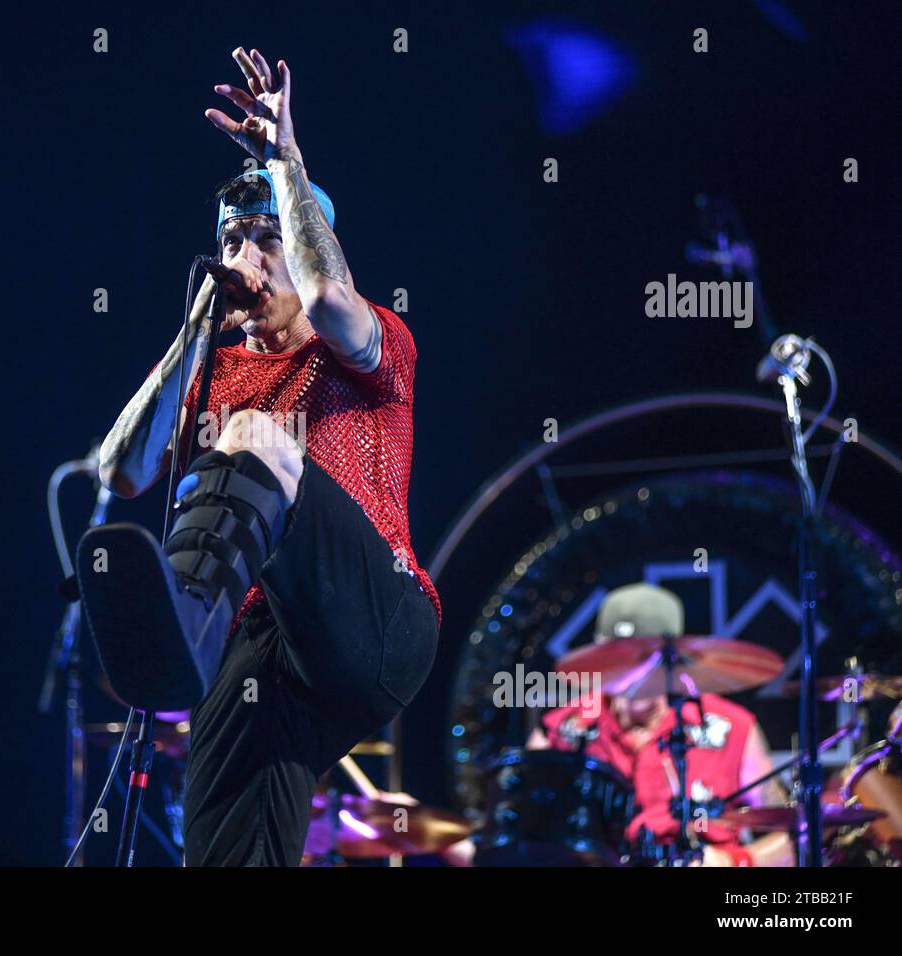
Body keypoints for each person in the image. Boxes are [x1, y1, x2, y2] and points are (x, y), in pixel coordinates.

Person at [75, 46, 440, 866]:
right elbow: (121, 471)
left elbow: (325, 298)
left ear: (312, 245)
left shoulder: (373, 344)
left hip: (378, 623)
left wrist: (286, 163)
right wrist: (195, 327)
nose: (249, 256)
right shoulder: (215, 369)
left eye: (267, 237)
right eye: (236, 239)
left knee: (252, 440)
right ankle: (183, 637)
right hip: (268, 656)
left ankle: (181, 623)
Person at [444, 583, 793, 867]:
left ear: (677, 658)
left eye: (647, 659)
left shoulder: (729, 728)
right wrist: (422, 831)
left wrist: (736, 862)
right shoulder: (563, 731)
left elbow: (791, 835)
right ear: (597, 658)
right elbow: (517, 843)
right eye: (619, 659)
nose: (636, 674)